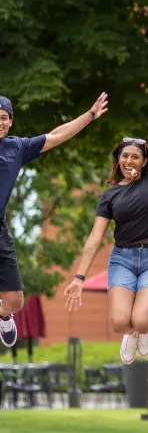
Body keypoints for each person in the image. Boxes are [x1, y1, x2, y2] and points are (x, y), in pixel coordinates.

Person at [64, 69, 148, 363]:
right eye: (124, 155)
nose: (129, 160)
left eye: (135, 156)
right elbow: (95, 237)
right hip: (122, 259)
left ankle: (143, 331)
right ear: (118, 159)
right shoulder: (109, 195)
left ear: (145, 161)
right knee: (121, 323)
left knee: (143, 320)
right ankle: (130, 334)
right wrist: (79, 276)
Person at [0, 91, 108, 347]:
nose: (0, 122)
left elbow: (58, 135)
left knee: (16, 301)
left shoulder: (17, 148)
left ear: (10, 121)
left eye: (4, 118)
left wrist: (90, 115)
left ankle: (4, 315)